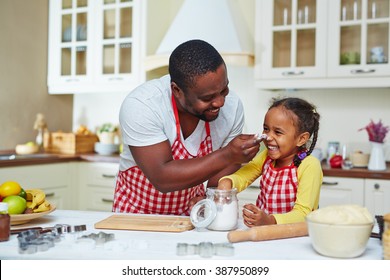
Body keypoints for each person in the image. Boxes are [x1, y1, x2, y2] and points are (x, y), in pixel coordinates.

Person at [113, 39, 261, 215]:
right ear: (176, 90)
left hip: (192, 214)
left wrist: (209, 198)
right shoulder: (142, 105)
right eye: (207, 98)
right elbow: (162, 178)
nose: (220, 102)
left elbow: (223, 170)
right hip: (135, 214)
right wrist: (229, 154)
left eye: (224, 90)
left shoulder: (232, 106)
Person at [218, 97, 323, 227]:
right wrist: (228, 182)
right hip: (265, 231)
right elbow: (244, 175)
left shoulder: (309, 165)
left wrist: (270, 220)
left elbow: (303, 214)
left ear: (301, 139)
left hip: (295, 236)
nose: (268, 137)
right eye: (266, 129)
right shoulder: (266, 157)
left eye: (278, 132)